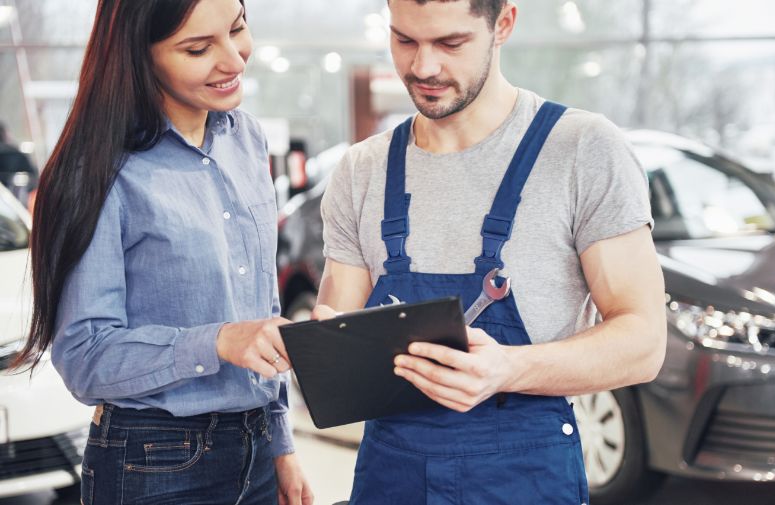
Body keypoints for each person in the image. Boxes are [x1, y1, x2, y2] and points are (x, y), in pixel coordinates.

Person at [314, 1, 667, 503]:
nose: (423, 67)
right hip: (392, 475)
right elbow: (339, 336)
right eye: (405, 40)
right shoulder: (362, 170)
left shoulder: (583, 149)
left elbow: (644, 343)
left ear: (503, 24)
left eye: (450, 44)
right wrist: (317, 348)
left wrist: (508, 369)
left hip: (524, 479)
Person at [13, 1, 313, 504]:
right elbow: (85, 356)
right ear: (138, 56)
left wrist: (280, 443)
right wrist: (216, 341)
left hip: (256, 449)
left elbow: (263, 311)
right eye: (198, 48)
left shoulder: (246, 140)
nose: (235, 60)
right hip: (155, 463)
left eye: (238, 28)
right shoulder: (101, 170)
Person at [0, 121, 38, 205]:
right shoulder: (17, 154)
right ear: (5, 135)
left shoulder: (16, 154)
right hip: (17, 204)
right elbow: (34, 177)